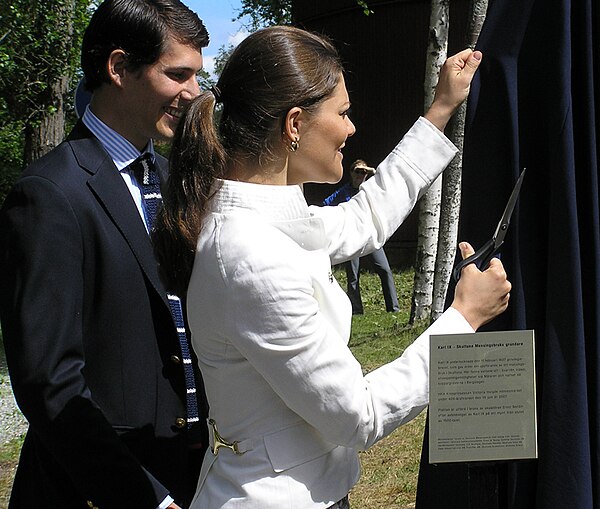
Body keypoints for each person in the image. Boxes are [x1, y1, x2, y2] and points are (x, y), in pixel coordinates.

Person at [154, 26, 511, 509]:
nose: (351, 129)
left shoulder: (264, 220)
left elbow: (366, 217)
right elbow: (356, 416)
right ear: (295, 124)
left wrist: (441, 109)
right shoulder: (250, 255)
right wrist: (463, 319)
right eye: (342, 113)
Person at [0, 1, 210, 508]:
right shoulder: (49, 193)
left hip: (191, 473)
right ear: (118, 68)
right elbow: (50, 383)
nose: (194, 94)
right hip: (96, 489)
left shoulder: (171, 180)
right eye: (177, 75)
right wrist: (147, 499)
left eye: (198, 77)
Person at [323, 159, 400, 314]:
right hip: (352, 238)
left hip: (371, 235)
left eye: (363, 172)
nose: (360, 175)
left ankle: (394, 309)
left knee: (384, 270)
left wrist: (371, 171)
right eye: (357, 171)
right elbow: (326, 204)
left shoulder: (370, 190)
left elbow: (386, 181)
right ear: (351, 173)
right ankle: (357, 310)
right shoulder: (344, 192)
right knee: (353, 276)